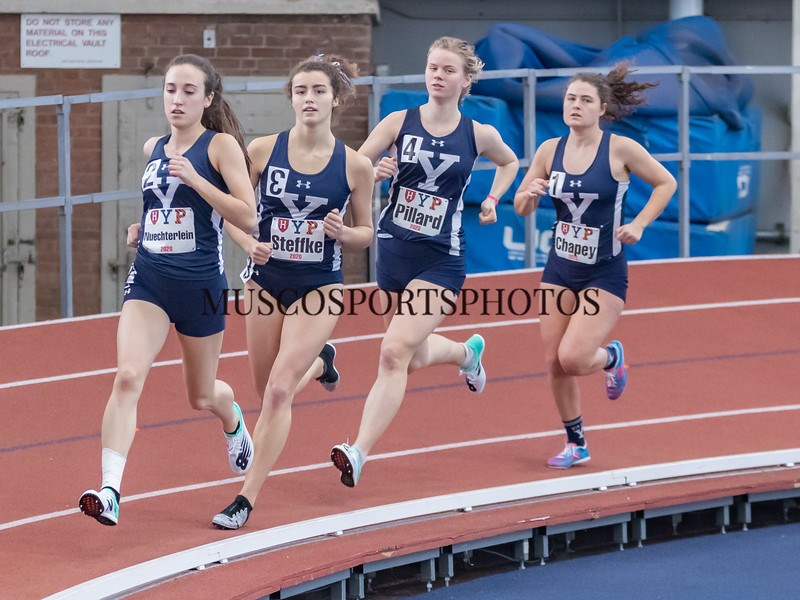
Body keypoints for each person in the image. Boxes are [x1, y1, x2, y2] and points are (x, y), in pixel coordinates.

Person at [330, 36, 519, 488]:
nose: (438, 75)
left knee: (393, 353)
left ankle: (358, 451)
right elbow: (354, 166)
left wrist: (492, 198)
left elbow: (510, 162)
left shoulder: (478, 134)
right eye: (433, 67)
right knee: (410, 358)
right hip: (394, 251)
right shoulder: (398, 121)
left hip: (440, 258)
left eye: (448, 70)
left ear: (466, 80)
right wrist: (372, 174)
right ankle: (465, 353)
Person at [78, 54, 258, 526]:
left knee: (201, 396)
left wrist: (198, 180)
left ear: (208, 98)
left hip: (201, 287)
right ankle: (111, 489)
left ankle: (232, 418)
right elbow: (165, 208)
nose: (176, 100)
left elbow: (248, 215)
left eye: (188, 91)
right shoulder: (152, 147)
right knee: (127, 377)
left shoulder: (219, 148)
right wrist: (144, 229)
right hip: (151, 280)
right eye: (170, 89)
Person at [211, 53, 374, 530]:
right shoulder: (261, 151)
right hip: (265, 282)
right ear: (291, 98)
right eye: (301, 91)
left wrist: (344, 234)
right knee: (266, 391)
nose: (309, 99)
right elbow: (233, 214)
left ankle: (245, 498)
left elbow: (369, 231)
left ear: (335, 99)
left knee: (280, 391)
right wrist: (249, 243)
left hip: (318, 286)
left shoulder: (354, 165)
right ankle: (323, 361)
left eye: (318, 91)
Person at [513, 63, 677, 469]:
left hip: (604, 270)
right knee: (555, 362)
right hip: (560, 267)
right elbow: (520, 207)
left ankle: (611, 358)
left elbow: (666, 182)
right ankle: (576, 442)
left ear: (601, 108)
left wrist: (638, 223)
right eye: (571, 98)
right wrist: (529, 193)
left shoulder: (620, 149)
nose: (575, 106)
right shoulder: (548, 151)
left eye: (585, 100)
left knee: (574, 357)